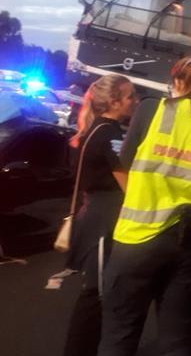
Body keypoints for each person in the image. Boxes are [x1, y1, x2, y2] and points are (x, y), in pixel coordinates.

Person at [97, 55, 191, 356]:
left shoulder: (150, 110)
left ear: (178, 83)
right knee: (176, 340)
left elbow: (125, 162)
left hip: (137, 239)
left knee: (119, 336)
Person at [62, 74, 137, 356]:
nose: (135, 101)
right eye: (130, 96)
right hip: (103, 222)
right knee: (95, 294)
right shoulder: (110, 134)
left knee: (96, 292)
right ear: (114, 101)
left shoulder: (96, 128)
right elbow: (128, 185)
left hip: (93, 216)